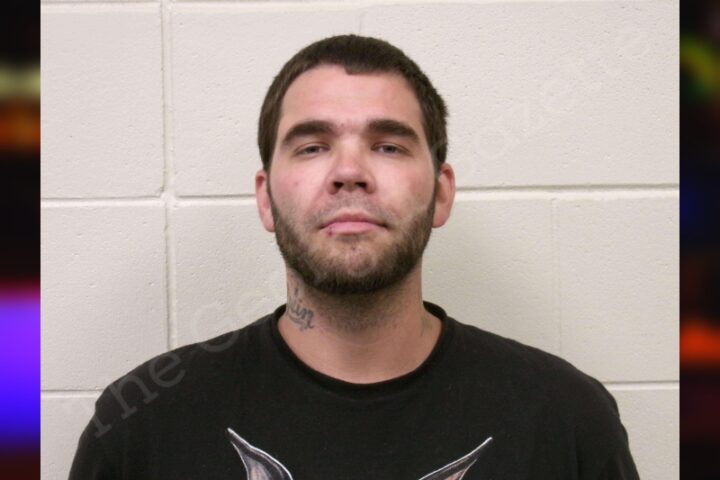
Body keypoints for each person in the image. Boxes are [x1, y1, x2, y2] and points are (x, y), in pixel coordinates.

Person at [69, 35, 639, 480]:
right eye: (312, 146)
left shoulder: (564, 420)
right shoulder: (144, 426)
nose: (349, 172)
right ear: (266, 198)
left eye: (388, 145)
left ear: (441, 193)